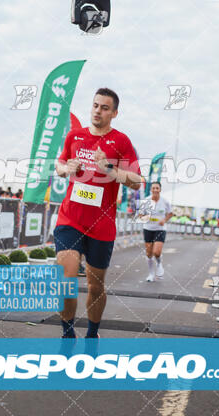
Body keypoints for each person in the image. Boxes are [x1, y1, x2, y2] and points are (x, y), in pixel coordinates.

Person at [54, 88, 142, 338]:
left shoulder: (121, 141)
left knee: (95, 286)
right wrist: (65, 168)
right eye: (95, 105)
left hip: (102, 225)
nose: (98, 111)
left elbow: (137, 180)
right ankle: (67, 332)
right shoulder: (75, 136)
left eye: (104, 108)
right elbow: (59, 164)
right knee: (66, 280)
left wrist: (111, 170)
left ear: (114, 113)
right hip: (70, 219)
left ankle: (92, 333)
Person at [137, 182, 173, 282]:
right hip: (148, 229)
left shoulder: (165, 201)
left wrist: (164, 220)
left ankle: (159, 263)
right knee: (149, 254)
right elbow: (140, 215)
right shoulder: (146, 201)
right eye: (153, 188)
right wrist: (145, 217)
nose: (155, 190)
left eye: (157, 188)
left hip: (160, 229)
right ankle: (151, 274)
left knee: (156, 252)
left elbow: (170, 213)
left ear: (160, 190)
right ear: (151, 190)